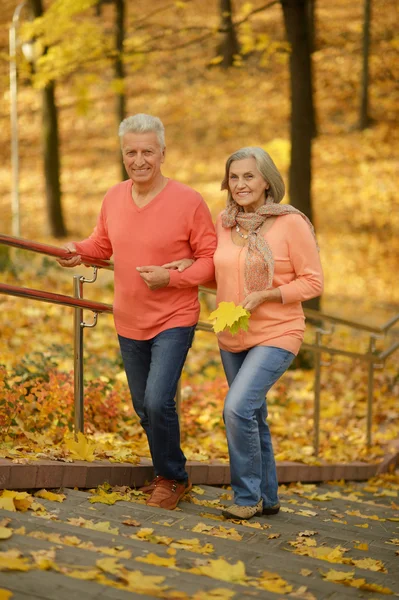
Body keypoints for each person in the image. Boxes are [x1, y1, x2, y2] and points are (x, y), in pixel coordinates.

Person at [57, 113, 217, 510]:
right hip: (128, 317)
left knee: (159, 399)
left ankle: (171, 478)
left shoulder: (189, 201)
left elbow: (210, 261)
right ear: (123, 154)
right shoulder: (113, 197)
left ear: (163, 152)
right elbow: (102, 243)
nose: (139, 159)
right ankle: (171, 471)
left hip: (174, 317)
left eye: (148, 151)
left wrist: (172, 277)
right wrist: (78, 251)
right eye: (131, 151)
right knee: (143, 404)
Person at [177, 146, 323, 519]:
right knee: (253, 416)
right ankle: (269, 497)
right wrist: (185, 267)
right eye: (234, 177)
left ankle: (247, 498)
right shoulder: (224, 223)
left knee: (237, 408)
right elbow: (219, 271)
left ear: (266, 181)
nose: (240, 184)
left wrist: (270, 294)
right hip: (232, 333)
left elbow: (313, 282)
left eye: (249, 176)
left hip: (278, 331)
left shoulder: (291, 224)